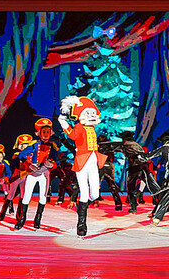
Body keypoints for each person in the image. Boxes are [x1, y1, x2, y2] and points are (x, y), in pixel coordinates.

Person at [58, 96, 107, 238]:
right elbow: (72, 136)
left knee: (95, 194)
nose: (92, 116)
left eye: (93, 113)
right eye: (88, 113)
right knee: (84, 193)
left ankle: (81, 207)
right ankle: (81, 225)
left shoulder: (92, 127)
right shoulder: (79, 127)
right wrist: (63, 122)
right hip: (82, 162)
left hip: (93, 161)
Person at [98, 131, 161, 214]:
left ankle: (133, 206)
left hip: (135, 167)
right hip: (144, 166)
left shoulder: (125, 144)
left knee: (131, 188)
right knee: (153, 186)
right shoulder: (136, 144)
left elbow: (112, 146)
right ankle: (163, 203)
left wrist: (99, 146)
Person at [14, 119, 58, 231]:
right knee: (27, 195)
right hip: (32, 173)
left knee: (43, 196)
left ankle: (38, 218)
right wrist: (29, 165)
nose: (46, 135)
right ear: (38, 133)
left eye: (48, 132)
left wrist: (51, 164)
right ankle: (22, 219)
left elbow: (56, 161)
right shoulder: (35, 145)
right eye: (43, 132)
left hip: (44, 173)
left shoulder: (52, 146)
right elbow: (21, 155)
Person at [0, 134, 35, 221]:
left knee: (23, 196)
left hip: (26, 177)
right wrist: (8, 177)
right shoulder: (17, 156)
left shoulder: (32, 156)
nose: (25, 148)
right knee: (11, 194)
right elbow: (11, 167)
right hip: (17, 175)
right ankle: (2, 213)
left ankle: (19, 215)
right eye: (23, 146)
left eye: (27, 146)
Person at [95, 134, 123, 210]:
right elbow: (112, 157)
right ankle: (118, 204)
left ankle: (96, 201)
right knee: (112, 185)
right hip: (109, 165)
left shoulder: (97, 147)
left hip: (100, 165)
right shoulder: (110, 147)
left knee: (96, 184)